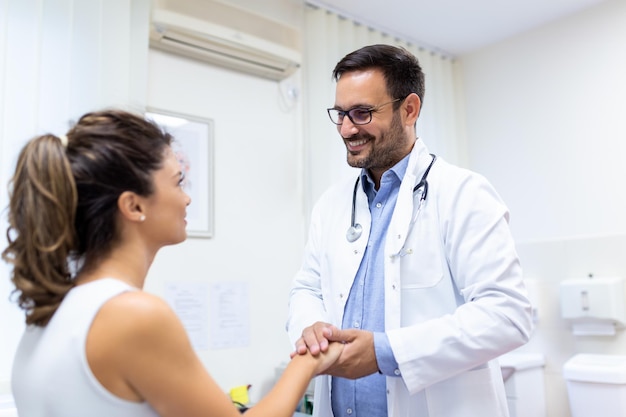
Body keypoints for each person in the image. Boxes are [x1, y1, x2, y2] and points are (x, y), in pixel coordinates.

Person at [2, 109, 342, 417]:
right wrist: (307, 362)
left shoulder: (51, 312)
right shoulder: (132, 315)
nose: (187, 197)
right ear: (134, 206)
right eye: (178, 182)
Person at [286, 44, 534, 417]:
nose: (347, 128)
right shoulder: (331, 205)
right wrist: (312, 327)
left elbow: (508, 314)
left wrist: (386, 352)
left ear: (410, 109)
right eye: (340, 114)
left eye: (362, 113)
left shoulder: (463, 193)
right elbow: (307, 287)